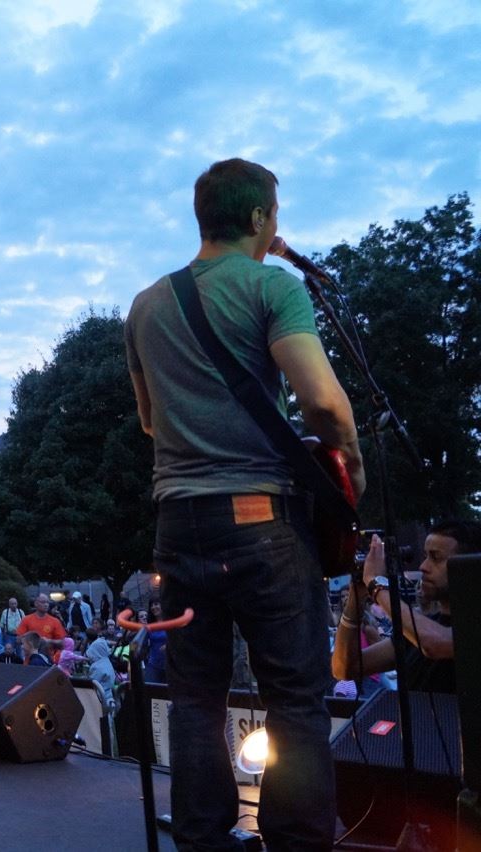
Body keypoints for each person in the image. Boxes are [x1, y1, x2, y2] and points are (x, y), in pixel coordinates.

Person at [125, 158, 365, 850]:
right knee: (295, 699)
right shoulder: (272, 287)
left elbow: (149, 421)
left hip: (178, 523)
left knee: (195, 699)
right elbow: (323, 403)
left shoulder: (146, 305)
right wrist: (351, 465)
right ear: (259, 217)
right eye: (274, 215)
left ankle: (202, 840)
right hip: (262, 519)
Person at [332, 521, 481, 693]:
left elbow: (435, 644)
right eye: (425, 556)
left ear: (470, 564)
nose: (423, 567)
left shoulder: (464, 628)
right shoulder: (418, 630)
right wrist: (356, 596)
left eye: (436, 558)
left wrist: (375, 583)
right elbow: (345, 668)